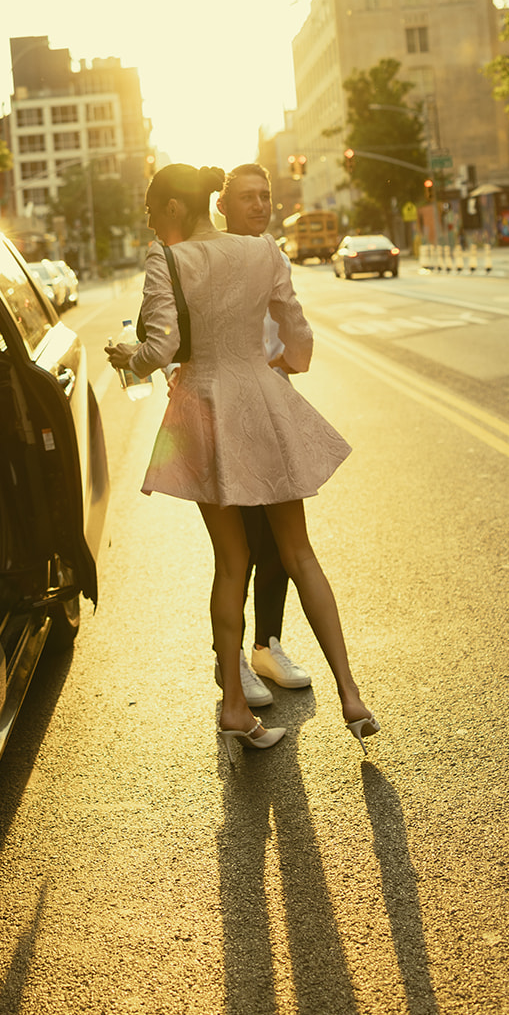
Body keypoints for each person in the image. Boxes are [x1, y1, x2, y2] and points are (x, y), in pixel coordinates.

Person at [106, 162, 378, 759]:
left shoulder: (167, 261)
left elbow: (159, 349)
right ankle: (351, 694)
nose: (150, 223)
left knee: (231, 564)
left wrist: (125, 355)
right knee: (300, 552)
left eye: (152, 212)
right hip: (263, 397)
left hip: (204, 408)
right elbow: (297, 338)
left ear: (174, 208)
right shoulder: (263, 252)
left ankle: (233, 702)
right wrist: (278, 369)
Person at [215, 162, 312, 706]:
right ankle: (229, 665)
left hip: (273, 407)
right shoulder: (206, 255)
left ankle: (267, 645)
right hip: (225, 414)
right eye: (247, 197)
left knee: (278, 540)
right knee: (238, 548)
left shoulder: (272, 251)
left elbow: (290, 320)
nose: (259, 205)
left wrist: (292, 363)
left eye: (265, 195)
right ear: (222, 204)